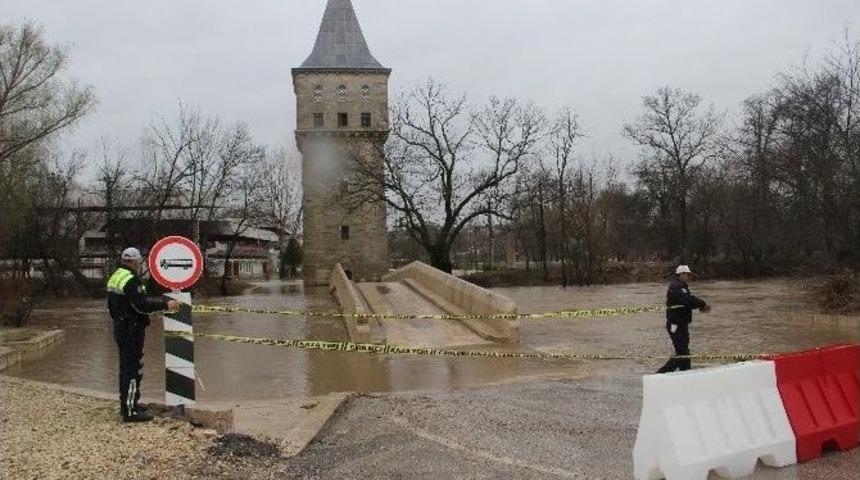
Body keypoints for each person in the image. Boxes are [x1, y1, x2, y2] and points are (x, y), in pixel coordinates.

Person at [107, 247, 180, 422]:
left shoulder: (116, 275)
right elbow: (141, 305)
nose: (140, 264)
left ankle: (129, 404)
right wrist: (165, 305)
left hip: (121, 327)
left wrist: (160, 299)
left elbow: (113, 306)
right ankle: (131, 411)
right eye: (139, 262)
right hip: (132, 329)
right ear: (135, 261)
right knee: (132, 371)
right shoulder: (131, 279)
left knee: (126, 370)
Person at [656, 265, 710, 373]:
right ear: (680, 274)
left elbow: (688, 300)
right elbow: (688, 300)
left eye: (689, 275)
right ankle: (660, 375)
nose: (688, 277)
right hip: (675, 325)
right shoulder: (676, 287)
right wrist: (702, 304)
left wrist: (699, 304)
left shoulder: (681, 286)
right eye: (687, 274)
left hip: (681, 324)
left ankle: (685, 373)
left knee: (684, 352)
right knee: (682, 353)